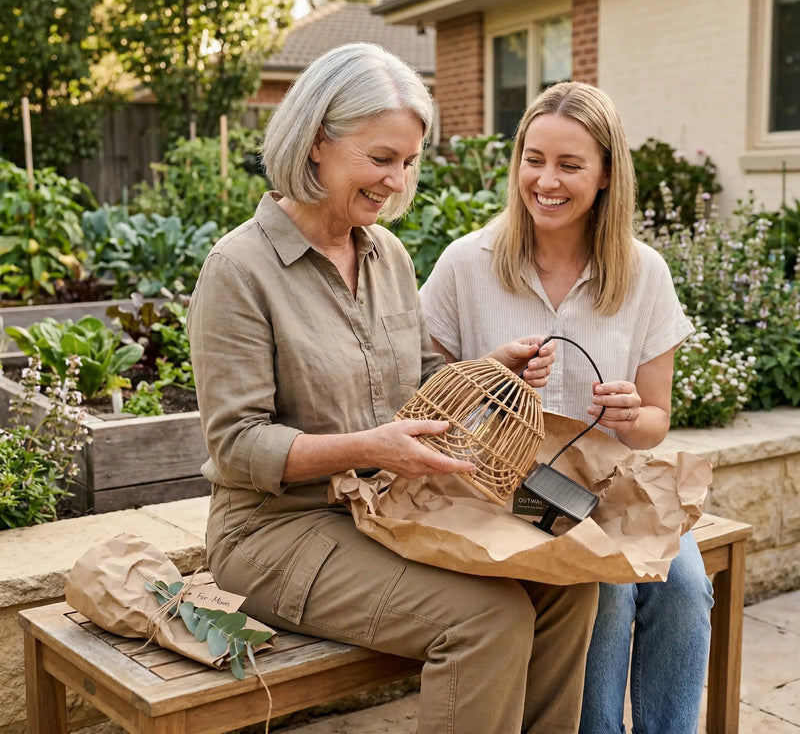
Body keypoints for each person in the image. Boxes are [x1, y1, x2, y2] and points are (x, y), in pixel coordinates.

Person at [187, 42, 599, 734]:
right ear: (317, 141)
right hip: (276, 530)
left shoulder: (388, 256)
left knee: (566, 582)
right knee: (487, 621)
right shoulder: (239, 269)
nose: (397, 181)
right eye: (381, 159)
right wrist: (372, 446)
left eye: (408, 163)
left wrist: (486, 371)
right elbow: (237, 447)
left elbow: (416, 385)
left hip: (383, 507)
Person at [419, 80, 714, 734]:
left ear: (607, 174)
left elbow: (654, 423)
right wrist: (491, 375)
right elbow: (424, 396)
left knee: (686, 589)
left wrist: (628, 416)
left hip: (611, 481)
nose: (545, 180)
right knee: (602, 589)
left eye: (570, 165)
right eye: (534, 158)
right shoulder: (466, 264)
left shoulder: (644, 273)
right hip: (507, 487)